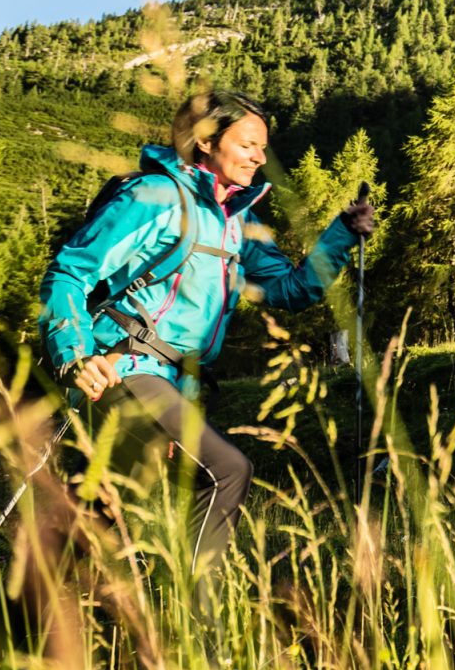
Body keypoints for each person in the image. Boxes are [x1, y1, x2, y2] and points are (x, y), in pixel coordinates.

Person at [37, 90, 373, 570]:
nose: (260, 157)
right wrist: (74, 353)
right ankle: (200, 623)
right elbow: (71, 272)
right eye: (247, 145)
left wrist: (341, 232)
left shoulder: (239, 222)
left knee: (101, 513)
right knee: (226, 471)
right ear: (205, 143)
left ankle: (26, 616)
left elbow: (292, 290)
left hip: (177, 386)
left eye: (262, 147)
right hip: (122, 368)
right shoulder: (153, 197)